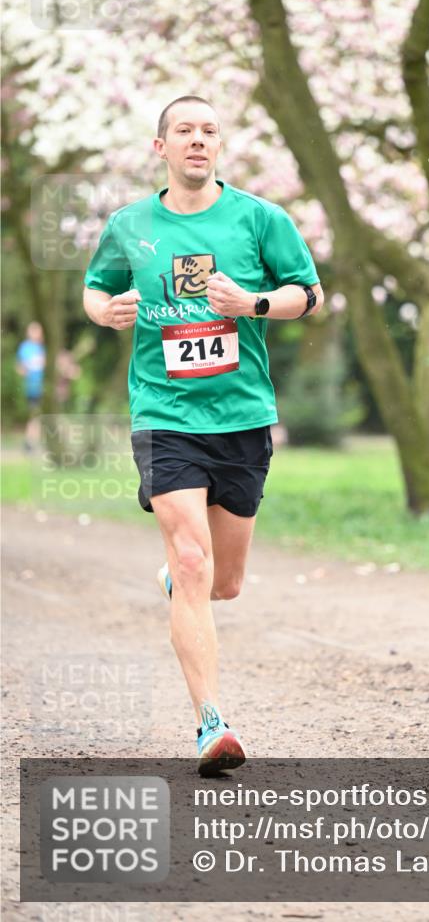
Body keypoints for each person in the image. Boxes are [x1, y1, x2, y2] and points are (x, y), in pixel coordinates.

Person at [83, 95, 324, 775]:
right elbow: (94, 289)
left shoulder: (257, 219)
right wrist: (108, 312)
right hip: (164, 416)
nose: (197, 140)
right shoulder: (131, 225)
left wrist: (251, 303)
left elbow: (308, 292)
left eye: (208, 131)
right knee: (193, 565)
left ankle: (179, 576)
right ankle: (211, 722)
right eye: (183, 131)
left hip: (242, 417)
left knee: (223, 582)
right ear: (160, 147)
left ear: (220, 146)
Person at [16, 321, 46, 452]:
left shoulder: (42, 348)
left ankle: (31, 443)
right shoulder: (25, 348)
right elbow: (20, 368)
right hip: (33, 388)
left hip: (44, 387)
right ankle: (29, 443)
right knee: (36, 416)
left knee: (39, 416)